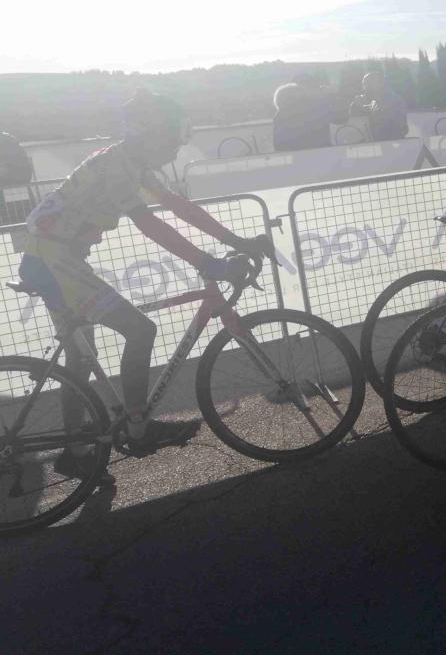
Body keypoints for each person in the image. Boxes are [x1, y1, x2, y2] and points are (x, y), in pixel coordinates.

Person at [19, 91, 269, 468]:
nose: (176, 148)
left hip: (50, 258)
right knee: (139, 330)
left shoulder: (131, 163)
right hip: (54, 260)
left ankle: (75, 453)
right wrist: (209, 263)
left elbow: (178, 206)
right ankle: (139, 427)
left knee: (80, 359)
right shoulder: (117, 166)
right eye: (172, 139)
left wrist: (237, 241)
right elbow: (149, 223)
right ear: (149, 134)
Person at [271, 72, 346, 151]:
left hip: (294, 156)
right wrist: (331, 96)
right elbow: (342, 118)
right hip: (321, 154)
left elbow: (279, 147)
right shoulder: (316, 110)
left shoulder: (279, 117)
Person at [354, 72, 409, 142]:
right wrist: (356, 105)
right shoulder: (368, 98)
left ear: (378, 84)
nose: (363, 88)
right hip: (374, 142)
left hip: (393, 142)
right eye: (363, 84)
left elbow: (378, 110)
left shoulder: (393, 99)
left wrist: (362, 106)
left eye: (366, 84)